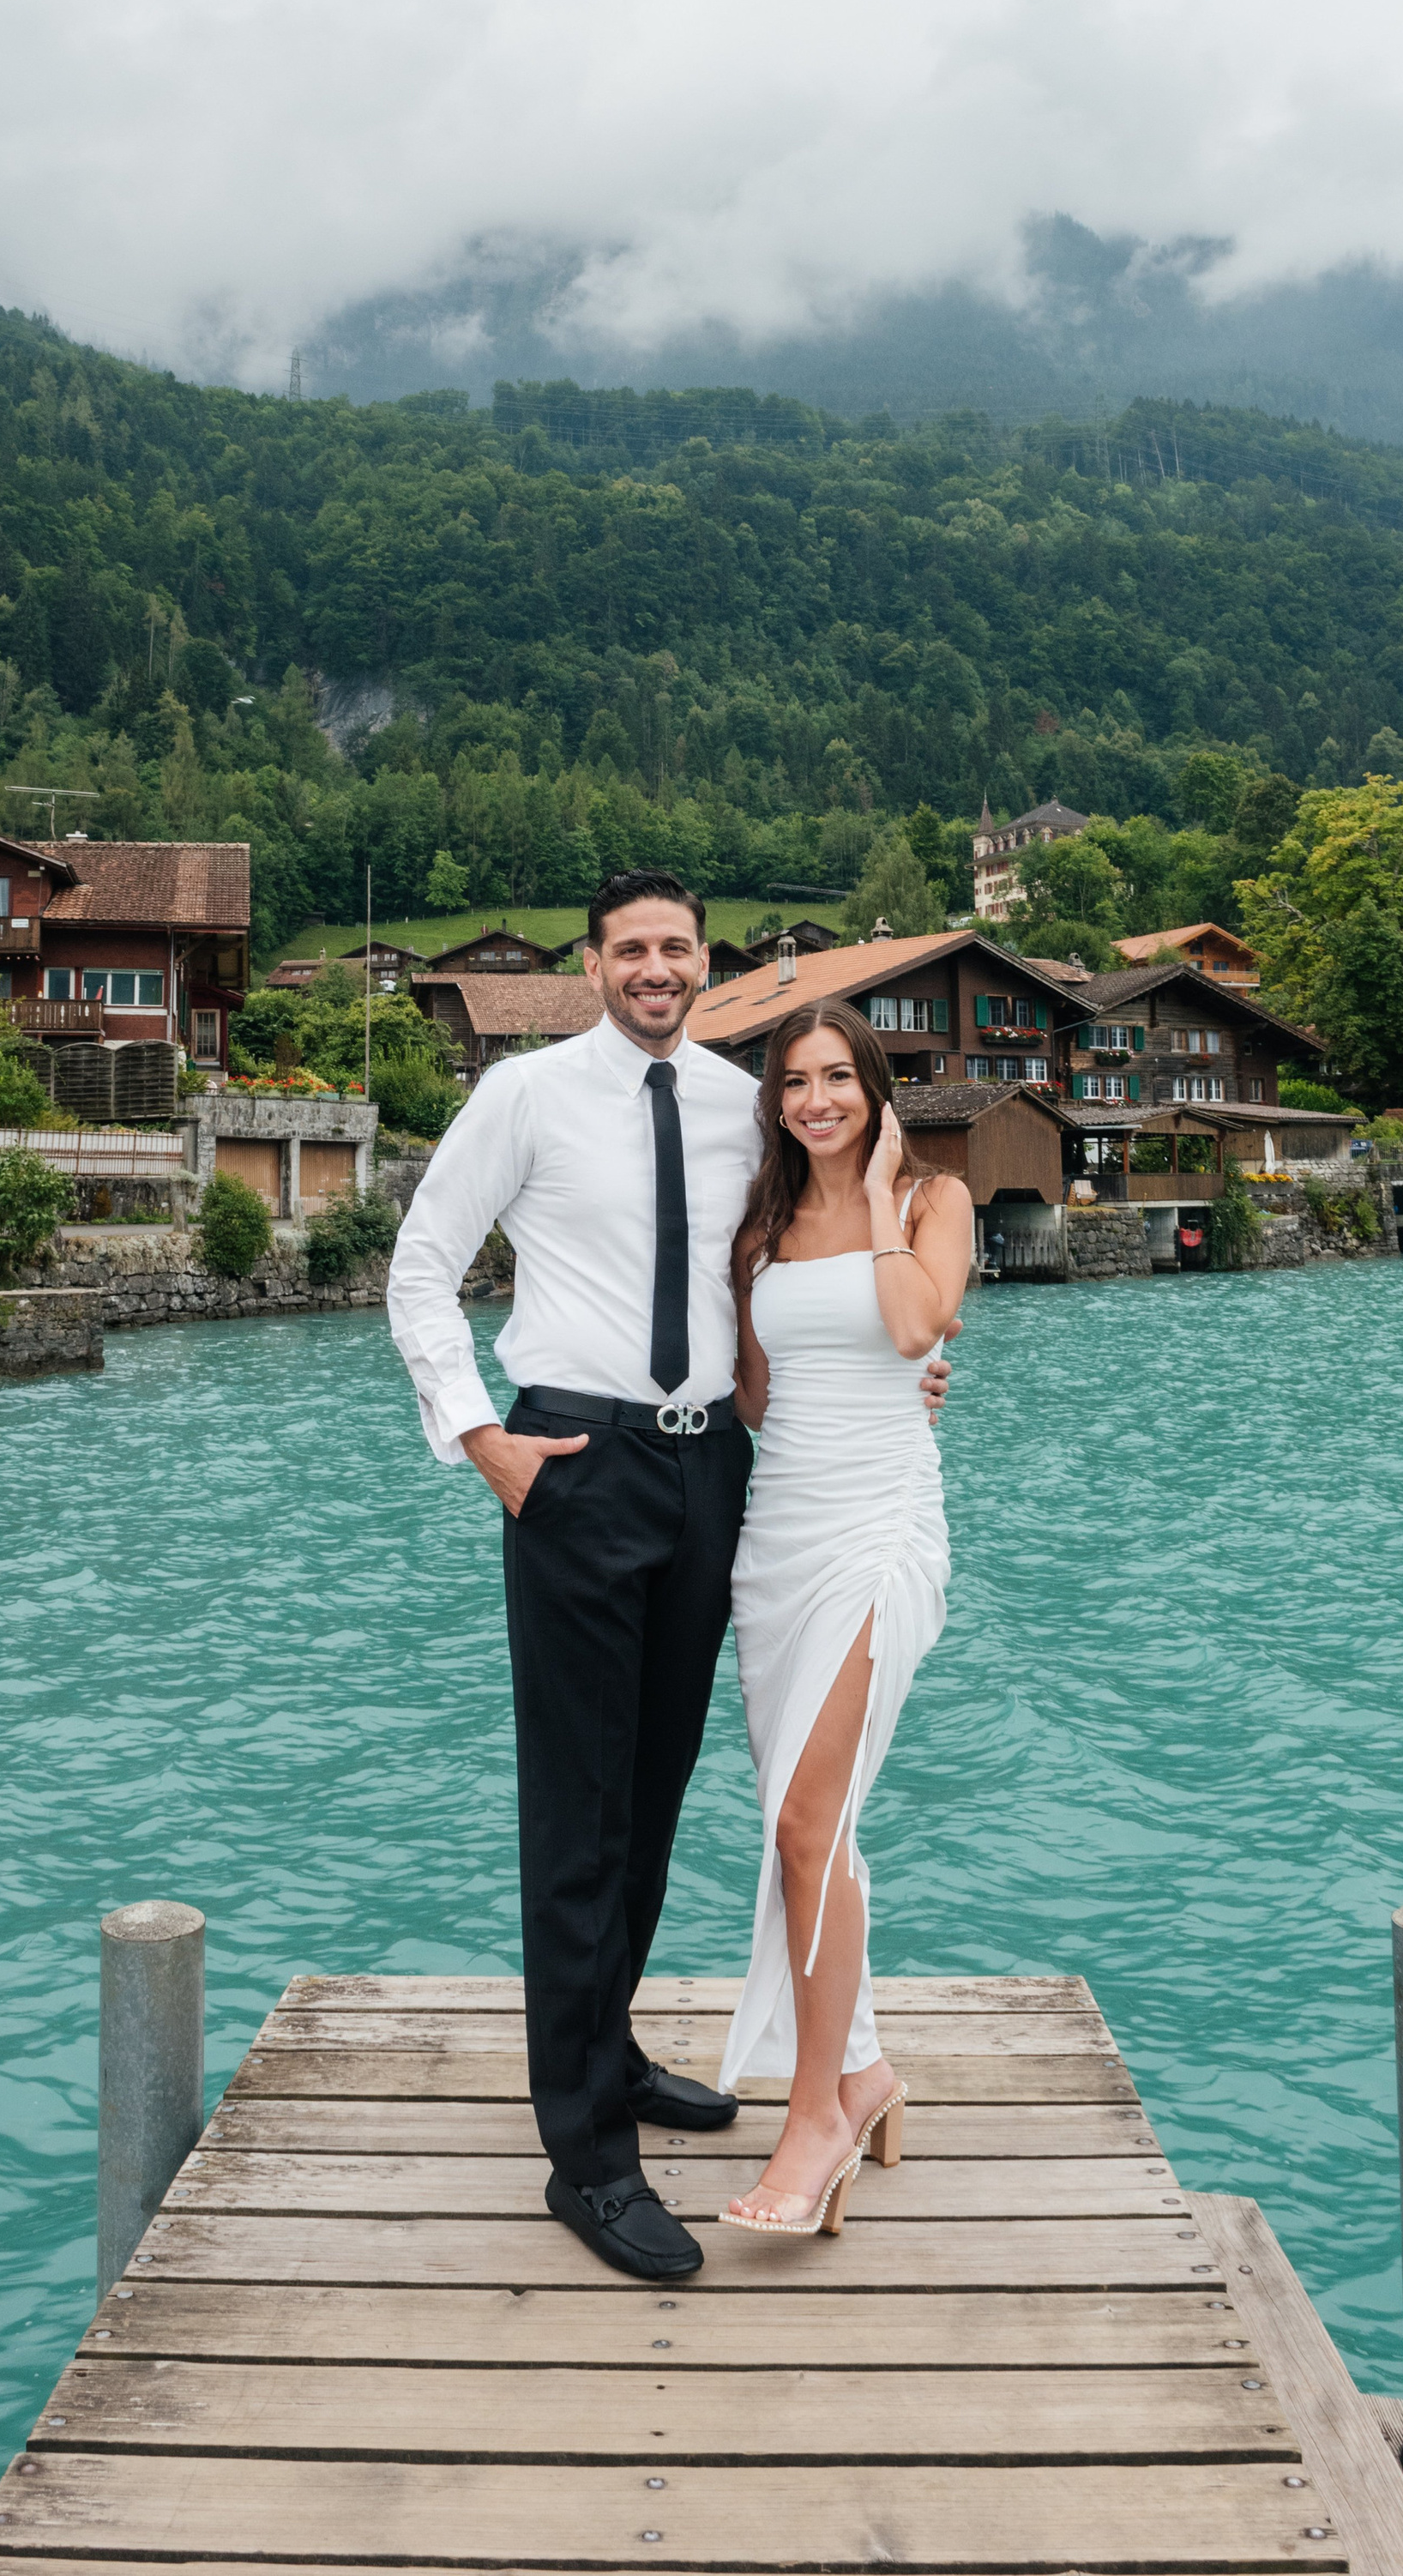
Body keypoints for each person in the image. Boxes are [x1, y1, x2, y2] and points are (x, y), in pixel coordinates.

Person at [387, 874, 951, 2285]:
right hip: (575, 1458)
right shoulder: (522, 1094)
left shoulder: (737, 1107)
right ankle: (585, 2150)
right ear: (593, 962)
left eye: (676, 947)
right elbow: (421, 1265)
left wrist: (899, 1376)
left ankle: (614, 2047)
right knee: (577, 1805)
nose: (655, 966)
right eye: (631, 947)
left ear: (708, 963)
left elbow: (788, 1288)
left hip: (715, 1478)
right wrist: (482, 1441)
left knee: (653, 1789)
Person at [716, 995, 968, 2236]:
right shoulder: (759, 1222)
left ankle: (816, 2113)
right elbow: (759, 1398)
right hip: (777, 1543)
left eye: (837, 1077)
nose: (816, 1099)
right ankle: (863, 2067)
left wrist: (876, 1198)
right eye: (794, 1082)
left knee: (815, 1818)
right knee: (800, 1826)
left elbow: (920, 1322)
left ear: (874, 1087)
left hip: (881, 1535)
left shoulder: (935, 1201)